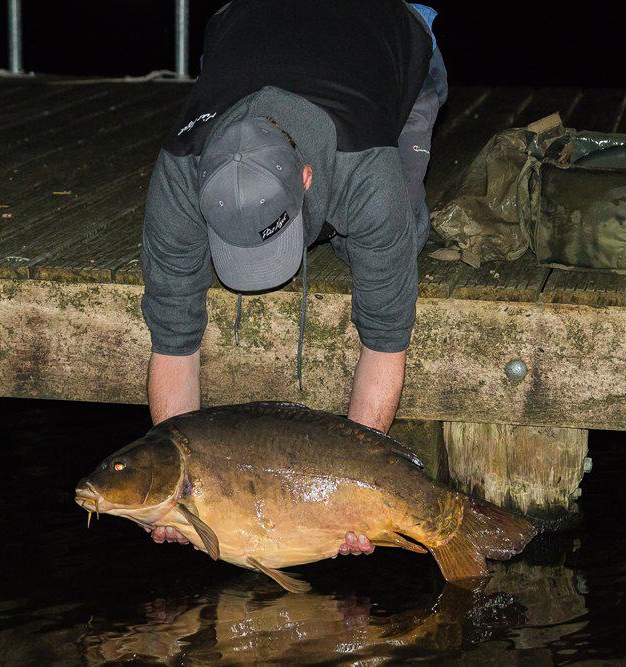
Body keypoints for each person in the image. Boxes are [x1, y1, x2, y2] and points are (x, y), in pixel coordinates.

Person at [141, 0, 447, 556]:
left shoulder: (368, 170)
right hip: (248, 17)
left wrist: (361, 483)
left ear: (305, 176)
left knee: (397, 240)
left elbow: (385, 338)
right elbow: (172, 337)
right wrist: (176, 485)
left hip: (390, 28)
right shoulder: (181, 168)